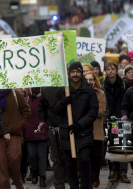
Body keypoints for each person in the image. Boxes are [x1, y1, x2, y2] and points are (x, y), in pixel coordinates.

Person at [53, 61, 98, 189]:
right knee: (70, 163)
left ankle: (85, 186)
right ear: (69, 73)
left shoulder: (88, 90)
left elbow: (93, 111)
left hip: (84, 132)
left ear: (81, 73)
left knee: (84, 159)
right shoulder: (63, 90)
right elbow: (54, 110)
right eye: (73, 72)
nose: (75, 74)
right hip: (67, 133)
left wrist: (80, 124)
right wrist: (63, 103)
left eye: (78, 71)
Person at [0, 89, 31, 189]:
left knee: (14, 159)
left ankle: (18, 182)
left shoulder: (15, 93)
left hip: (13, 134)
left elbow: (26, 110)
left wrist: (20, 125)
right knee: (1, 164)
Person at [102, 61, 132, 182]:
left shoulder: (124, 84)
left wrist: (127, 115)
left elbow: (129, 100)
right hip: (109, 118)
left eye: (112, 69)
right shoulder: (103, 85)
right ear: (105, 71)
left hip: (123, 118)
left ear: (116, 70)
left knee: (124, 145)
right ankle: (113, 171)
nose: (110, 71)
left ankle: (123, 172)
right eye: (108, 69)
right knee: (111, 145)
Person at [39, 87, 66, 189]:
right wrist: (43, 120)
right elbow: (41, 107)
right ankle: (59, 185)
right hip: (54, 128)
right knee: (57, 158)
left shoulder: (70, 86)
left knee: (70, 158)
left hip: (69, 128)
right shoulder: (47, 90)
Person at [84, 71, 106, 188]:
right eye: (87, 79)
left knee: (96, 156)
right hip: (83, 130)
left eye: (91, 79)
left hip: (96, 130)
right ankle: (87, 178)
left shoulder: (100, 93)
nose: (89, 82)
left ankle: (95, 175)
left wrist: (89, 111)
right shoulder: (79, 93)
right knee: (84, 157)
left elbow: (101, 111)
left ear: (95, 81)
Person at [23, 87, 48, 186]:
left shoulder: (44, 99)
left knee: (42, 156)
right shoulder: (26, 100)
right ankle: (34, 171)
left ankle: (42, 177)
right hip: (29, 132)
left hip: (41, 130)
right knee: (32, 155)